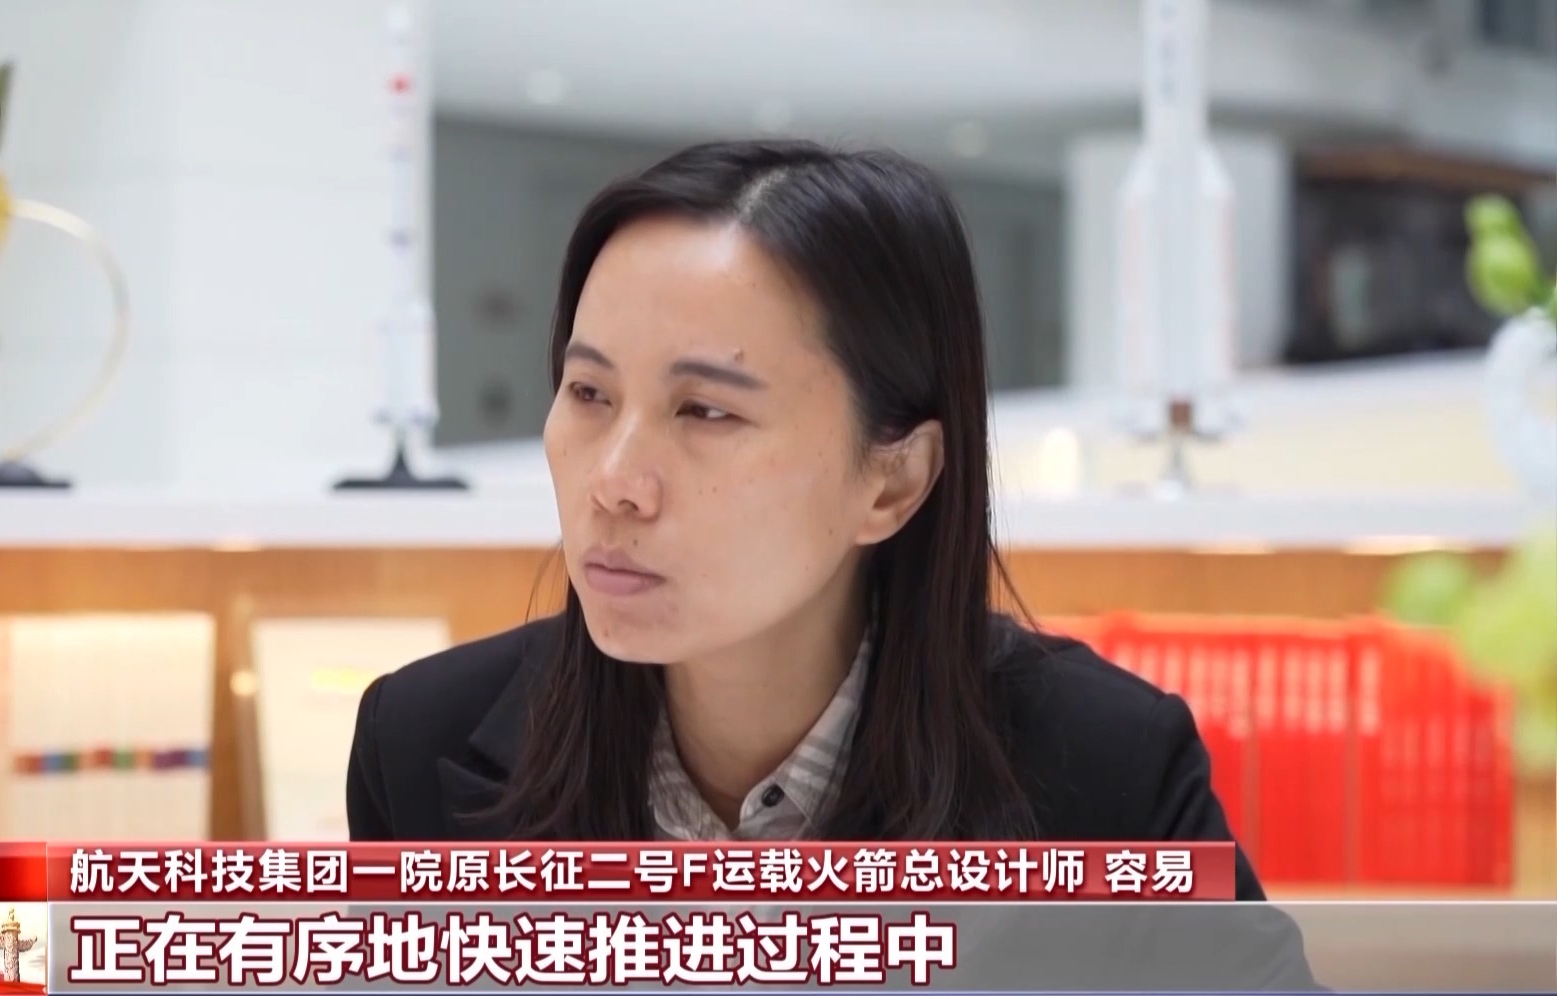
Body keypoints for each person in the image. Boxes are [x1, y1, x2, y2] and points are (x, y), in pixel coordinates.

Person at [345, 139, 1319, 989]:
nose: (614, 482)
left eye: (705, 411)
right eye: (590, 392)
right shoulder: (422, 746)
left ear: (892, 481)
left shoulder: (1107, 771)